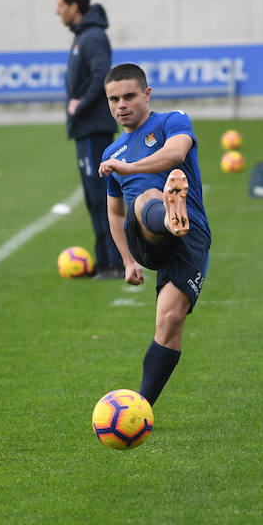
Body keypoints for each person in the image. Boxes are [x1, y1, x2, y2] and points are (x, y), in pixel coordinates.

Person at [98, 63, 210, 406]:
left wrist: (129, 168)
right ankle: (167, 215)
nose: (122, 105)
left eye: (129, 96)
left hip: (190, 234)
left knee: (171, 321)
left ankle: (140, 408)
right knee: (146, 197)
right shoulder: (111, 153)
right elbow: (115, 212)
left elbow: (176, 153)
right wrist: (127, 261)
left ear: (147, 94)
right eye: (114, 99)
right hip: (144, 236)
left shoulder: (173, 121)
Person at [56, 0, 123, 279]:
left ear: (74, 6)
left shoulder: (93, 36)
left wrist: (79, 104)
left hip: (95, 128)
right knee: (93, 199)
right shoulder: (82, 36)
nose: (57, 11)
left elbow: (102, 75)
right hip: (86, 128)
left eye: (60, 5)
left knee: (102, 197)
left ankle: (115, 262)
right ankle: (105, 261)